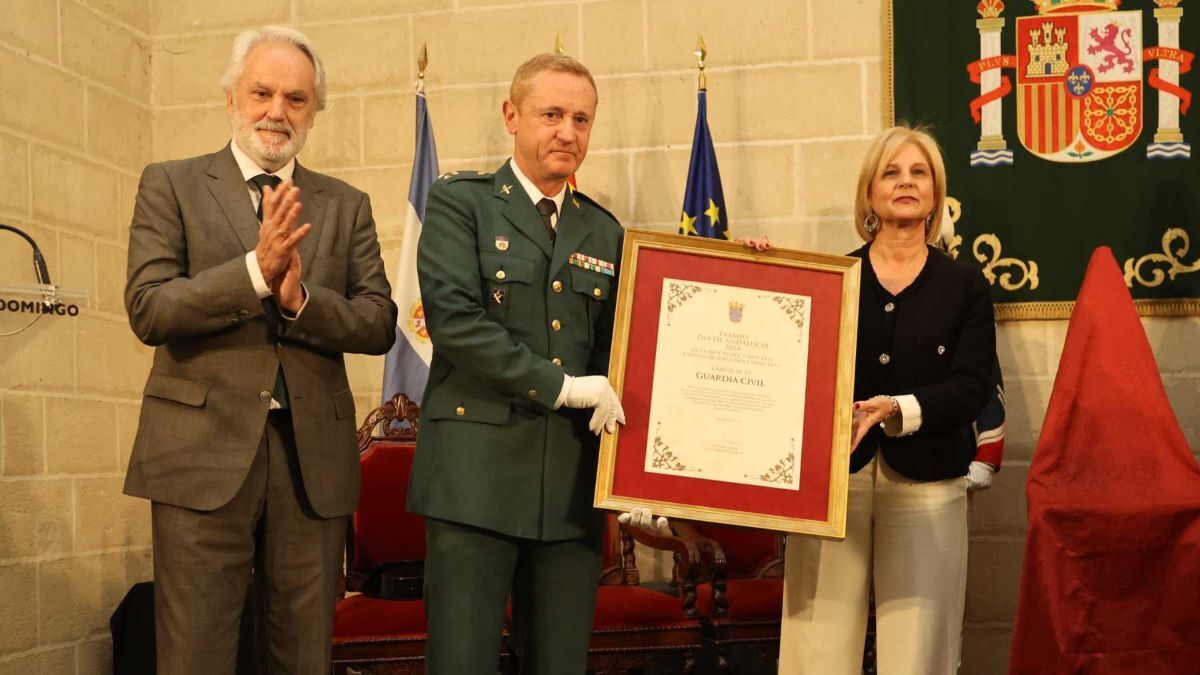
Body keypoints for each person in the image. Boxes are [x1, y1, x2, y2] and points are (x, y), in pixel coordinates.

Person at [123, 25, 397, 674]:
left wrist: (302, 300)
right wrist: (253, 273)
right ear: (231, 99)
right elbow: (150, 307)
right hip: (199, 454)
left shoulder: (346, 205)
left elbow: (378, 322)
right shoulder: (171, 184)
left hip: (312, 463)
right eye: (262, 92)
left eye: (296, 99)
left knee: (303, 656)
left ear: (314, 112)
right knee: (195, 655)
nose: (277, 111)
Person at [407, 53, 641, 674]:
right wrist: (561, 387)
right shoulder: (462, 204)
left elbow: (625, 350)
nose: (567, 132)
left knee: (560, 663)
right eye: (552, 114)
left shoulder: (605, 232)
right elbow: (456, 324)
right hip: (474, 480)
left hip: (570, 488)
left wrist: (736, 275)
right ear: (512, 116)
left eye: (582, 119)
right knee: (463, 662)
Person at [746, 125, 998, 674]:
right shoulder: (830, 278)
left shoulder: (965, 285)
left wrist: (898, 409)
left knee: (920, 649)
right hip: (833, 484)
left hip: (928, 486)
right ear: (869, 193)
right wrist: (755, 275)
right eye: (891, 172)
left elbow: (972, 387)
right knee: (818, 645)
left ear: (936, 191)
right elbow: (780, 360)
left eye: (918, 172)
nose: (905, 182)